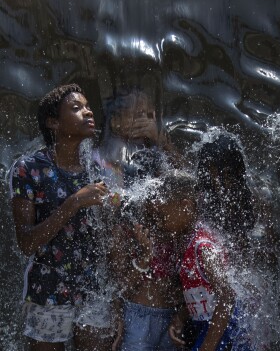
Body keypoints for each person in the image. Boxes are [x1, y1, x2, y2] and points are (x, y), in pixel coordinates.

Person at [10, 84, 113, 350]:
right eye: (77, 108)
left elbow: (110, 234)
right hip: (48, 291)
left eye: (88, 106)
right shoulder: (29, 169)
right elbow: (27, 243)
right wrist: (75, 201)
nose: (88, 112)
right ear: (53, 122)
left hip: (93, 288)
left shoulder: (96, 168)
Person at [169, 136, 257, 351]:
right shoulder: (201, 211)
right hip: (209, 315)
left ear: (238, 174)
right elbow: (204, 284)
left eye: (225, 175)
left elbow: (229, 290)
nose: (217, 183)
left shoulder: (254, 207)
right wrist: (182, 314)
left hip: (242, 314)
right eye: (211, 175)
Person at [109, 170, 198, 351]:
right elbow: (120, 287)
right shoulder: (125, 232)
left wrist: (181, 312)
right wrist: (145, 257)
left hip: (172, 318)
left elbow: (189, 283)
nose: (155, 200)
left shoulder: (175, 228)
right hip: (138, 317)